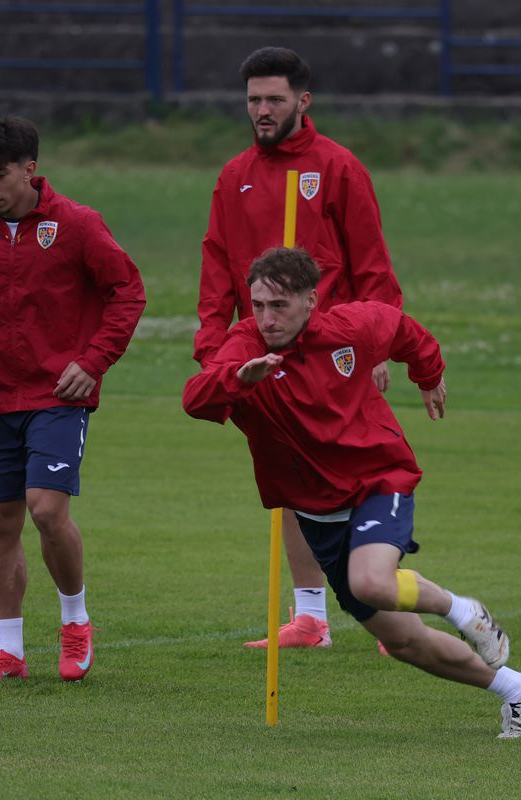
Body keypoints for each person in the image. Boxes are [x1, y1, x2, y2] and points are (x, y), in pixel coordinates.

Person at [183, 247, 521, 738]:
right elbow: (195, 397)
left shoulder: (351, 329)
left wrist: (429, 375)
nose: (267, 319)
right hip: (318, 514)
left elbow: (407, 332)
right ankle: (516, 690)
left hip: (380, 481)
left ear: (312, 300)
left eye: (280, 306)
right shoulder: (245, 347)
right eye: (258, 305)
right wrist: (236, 379)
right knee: (404, 643)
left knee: (371, 583)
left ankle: (463, 609)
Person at [197, 46, 404, 649]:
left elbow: (372, 262)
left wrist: (380, 345)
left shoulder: (338, 167)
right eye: (254, 101)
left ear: (302, 101)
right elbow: (216, 264)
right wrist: (214, 348)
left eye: (274, 100)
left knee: (357, 470)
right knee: (289, 477)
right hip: (260, 352)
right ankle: (310, 617)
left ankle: (385, 606)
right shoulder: (234, 176)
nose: (262, 111)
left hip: (335, 348)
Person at [0, 116, 146, 682]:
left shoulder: (76, 224)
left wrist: (93, 361)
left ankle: (75, 622)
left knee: (47, 510)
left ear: (30, 169)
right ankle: (10, 652)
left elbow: (127, 291)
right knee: (1, 520)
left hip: (58, 395)